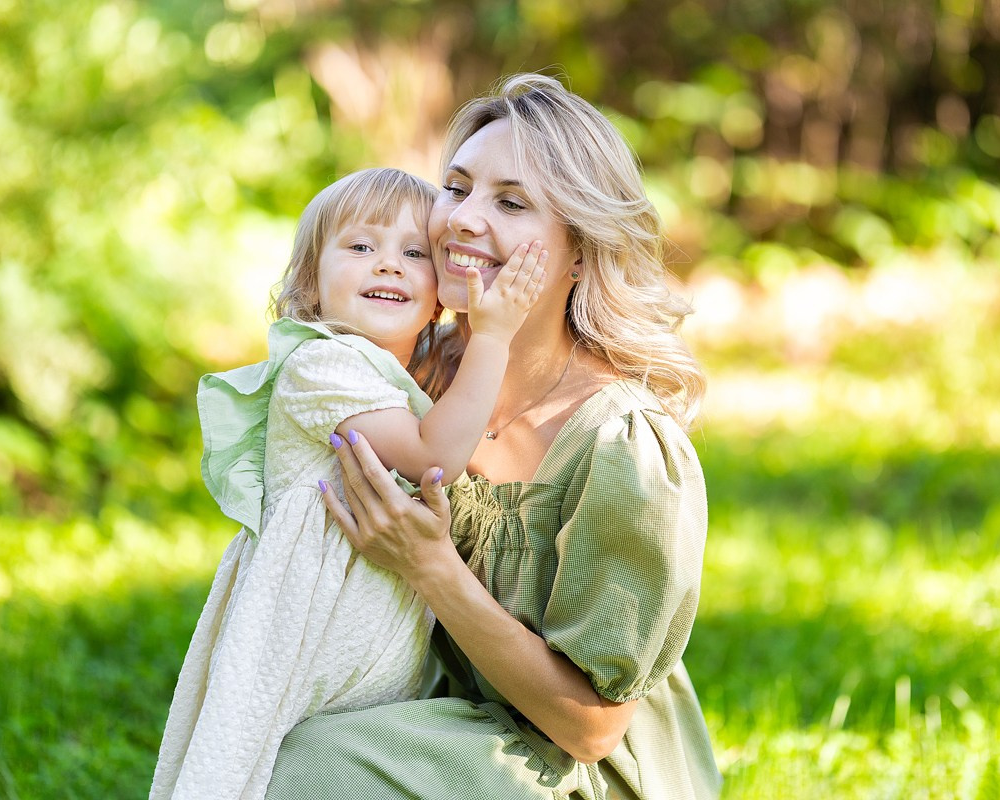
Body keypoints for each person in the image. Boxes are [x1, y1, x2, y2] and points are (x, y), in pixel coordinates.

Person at [265, 75, 722, 799]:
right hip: (436, 719)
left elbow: (591, 728)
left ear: (580, 251)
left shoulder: (622, 444)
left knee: (312, 765)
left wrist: (434, 569)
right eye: (456, 188)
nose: (462, 221)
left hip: (569, 768)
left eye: (510, 202)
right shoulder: (414, 378)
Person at [149, 167, 547, 800]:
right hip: (299, 631)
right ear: (310, 281)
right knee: (257, 768)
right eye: (361, 247)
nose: (388, 266)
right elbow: (432, 457)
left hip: (364, 628)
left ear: (440, 288)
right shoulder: (319, 363)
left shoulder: (396, 375)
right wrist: (494, 335)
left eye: (413, 253)